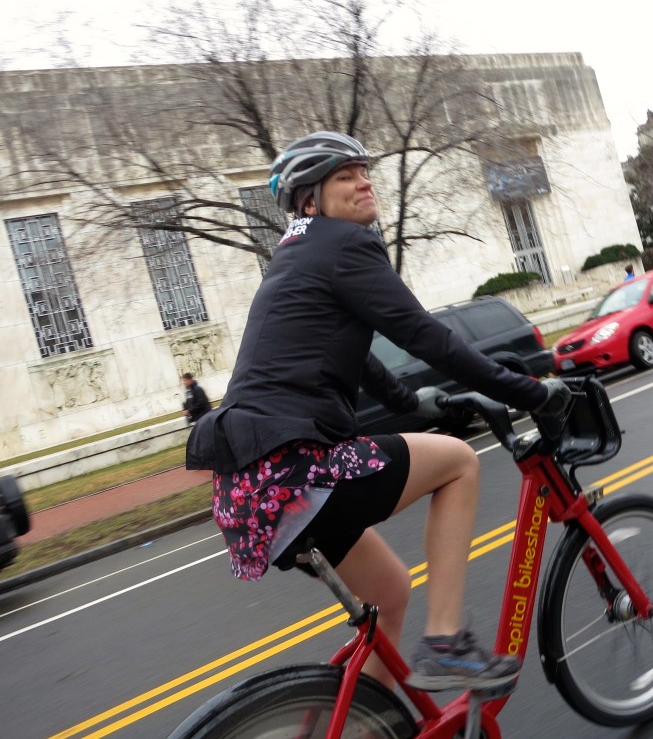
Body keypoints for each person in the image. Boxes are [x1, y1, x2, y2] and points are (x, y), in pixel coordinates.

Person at [185, 131, 571, 693]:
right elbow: (425, 337)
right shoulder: (343, 245)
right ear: (310, 201)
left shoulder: (293, 257)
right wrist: (531, 393)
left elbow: (354, 356)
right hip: (297, 468)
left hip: (251, 491)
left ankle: (367, 726)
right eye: (345, 176)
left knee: (390, 592)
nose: (364, 181)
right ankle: (445, 642)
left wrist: (410, 404)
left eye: (364, 171)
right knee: (460, 462)